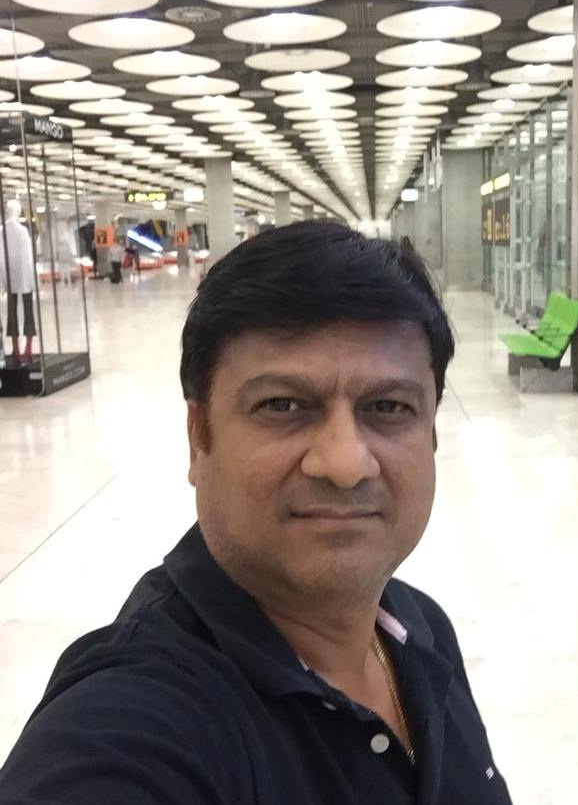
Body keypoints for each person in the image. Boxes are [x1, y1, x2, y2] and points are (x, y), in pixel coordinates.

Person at [0, 222, 512, 804]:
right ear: (199, 436)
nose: (346, 463)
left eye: (389, 407)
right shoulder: (131, 725)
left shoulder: (419, 630)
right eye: (283, 405)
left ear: (432, 434)